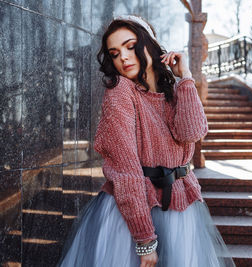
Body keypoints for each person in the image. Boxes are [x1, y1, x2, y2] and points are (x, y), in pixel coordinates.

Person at [57, 15, 235, 267]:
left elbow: (192, 132)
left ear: (149, 45)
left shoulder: (171, 91)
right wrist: (144, 240)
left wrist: (185, 77)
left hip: (179, 209)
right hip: (134, 216)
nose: (124, 58)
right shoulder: (120, 92)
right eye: (115, 53)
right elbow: (125, 170)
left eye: (130, 46)